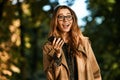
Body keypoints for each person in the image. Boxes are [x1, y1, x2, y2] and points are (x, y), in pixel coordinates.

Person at [42, 5, 102, 80]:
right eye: (60, 17)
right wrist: (57, 56)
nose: (65, 20)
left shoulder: (84, 42)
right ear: (55, 21)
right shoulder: (48, 47)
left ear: (73, 19)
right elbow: (50, 77)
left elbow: (96, 73)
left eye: (68, 16)